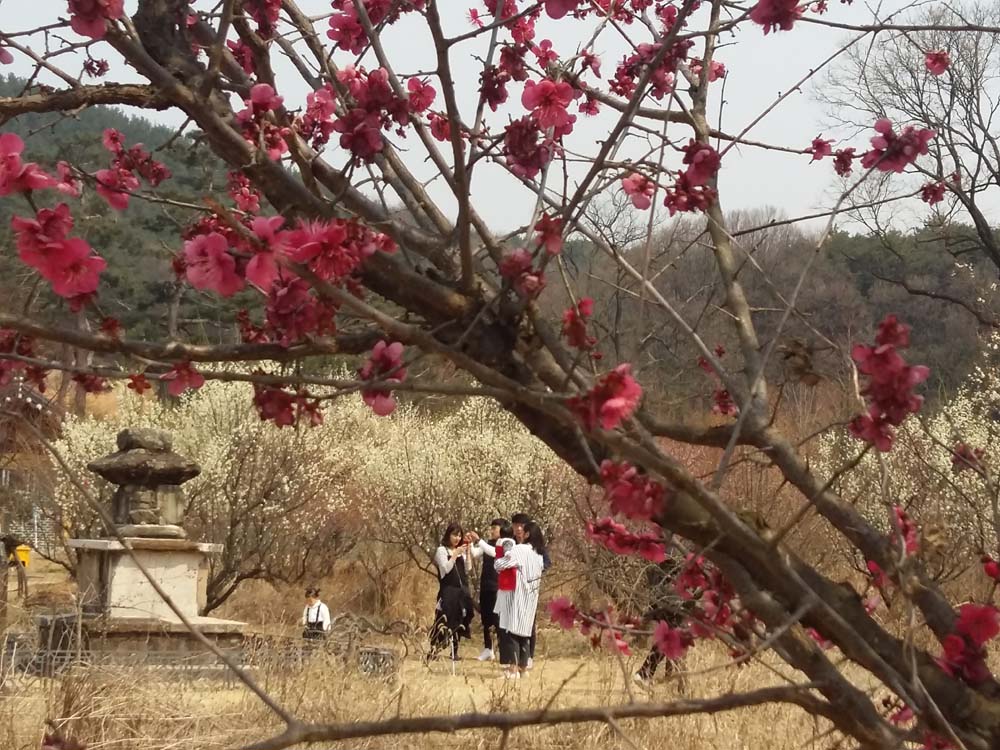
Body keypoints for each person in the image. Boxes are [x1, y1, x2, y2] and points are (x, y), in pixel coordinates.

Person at [494, 520, 546, 679]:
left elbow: (500, 564)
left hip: (517, 595)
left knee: (512, 631)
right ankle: (523, 668)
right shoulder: (539, 554)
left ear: (528, 534)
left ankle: (512, 669)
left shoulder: (519, 549)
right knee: (525, 632)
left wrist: (501, 557)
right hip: (532, 596)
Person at [429, 523, 477, 662]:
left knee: (460, 619)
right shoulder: (441, 550)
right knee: (443, 619)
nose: (457, 538)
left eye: (459, 535)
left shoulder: (460, 550)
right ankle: (434, 649)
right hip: (448, 590)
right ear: (448, 535)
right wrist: (455, 554)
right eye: (454, 535)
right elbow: (445, 569)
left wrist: (467, 552)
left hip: (461, 591)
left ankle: (454, 651)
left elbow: (468, 568)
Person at [511, 512, 551, 669]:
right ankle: (515, 659)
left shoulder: (536, 546)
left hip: (529, 590)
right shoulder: (511, 543)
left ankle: (528, 657)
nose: (518, 529)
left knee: (529, 624)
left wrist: (533, 572)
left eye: (521, 526)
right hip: (513, 590)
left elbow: (546, 562)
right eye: (515, 526)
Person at [472, 519, 511, 661]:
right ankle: (488, 648)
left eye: (495, 528)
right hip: (486, 584)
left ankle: (502, 648)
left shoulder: (506, 544)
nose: (492, 530)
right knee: (486, 617)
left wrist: (479, 540)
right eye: (492, 528)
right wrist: (470, 542)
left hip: (498, 586)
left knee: (498, 619)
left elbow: (495, 553)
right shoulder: (487, 543)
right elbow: (475, 553)